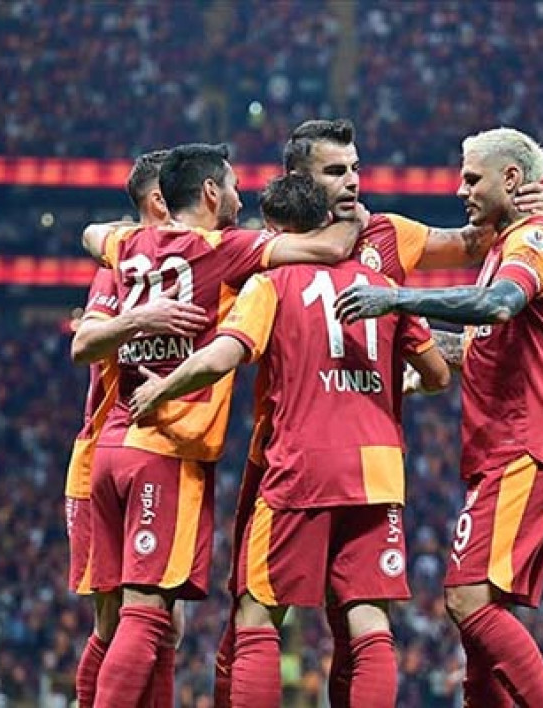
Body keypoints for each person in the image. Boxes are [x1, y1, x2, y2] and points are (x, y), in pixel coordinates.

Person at [213, 117, 543, 708]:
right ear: (299, 180)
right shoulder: (273, 242)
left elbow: (474, 241)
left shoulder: (386, 234)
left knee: (268, 611)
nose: (351, 181)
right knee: (357, 617)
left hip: (302, 459)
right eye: (334, 171)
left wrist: (525, 207)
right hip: (339, 456)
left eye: (355, 169)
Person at [128, 175, 450, 708]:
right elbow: (437, 374)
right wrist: (400, 382)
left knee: (258, 614)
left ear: (277, 231)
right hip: (379, 470)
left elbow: (224, 355)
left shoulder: (271, 282)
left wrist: (163, 386)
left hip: (302, 464)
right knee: (371, 622)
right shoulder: (382, 284)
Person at [80, 142, 366, 707]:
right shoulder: (221, 248)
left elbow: (92, 234)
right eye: (233, 186)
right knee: (146, 612)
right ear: (211, 192)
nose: (241, 198)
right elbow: (330, 247)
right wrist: (356, 215)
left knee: (129, 622)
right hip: (165, 448)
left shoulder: (127, 244)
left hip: (110, 446)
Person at [335, 127, 543, 707]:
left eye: (472, 178)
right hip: (503, 449)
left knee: (468, 599)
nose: (460, 189)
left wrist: (396, 298)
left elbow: (496, 306)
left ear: (511, 179)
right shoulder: (502, 248)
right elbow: (477, 342)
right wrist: (414, 358)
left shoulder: (537, 240)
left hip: (530, 444)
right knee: (478, 618)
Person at [68, 150, 207, 708]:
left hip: (158, 449)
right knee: (117, 620)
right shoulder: (119, 267)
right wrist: (140, 318)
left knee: (165, 624)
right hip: (109, 447)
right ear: (159, 202)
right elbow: (83, 343)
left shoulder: (187, 260)